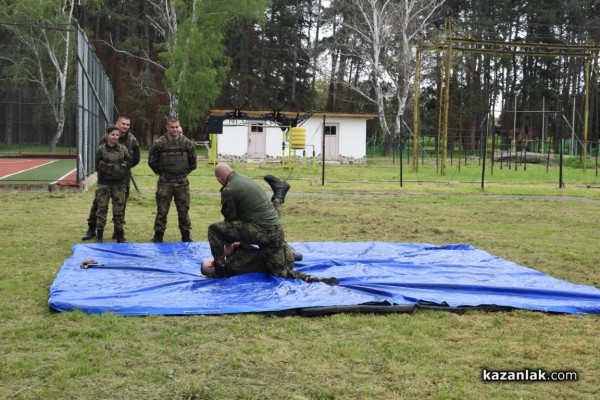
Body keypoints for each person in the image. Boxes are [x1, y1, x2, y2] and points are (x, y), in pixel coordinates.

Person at [207, 163, 295, 278]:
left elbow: (230, 220)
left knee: (214, 230)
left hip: (264, 232)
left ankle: (220, 270)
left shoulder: (229, 189)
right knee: (281, 270)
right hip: (275, 231)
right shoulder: (244, 179)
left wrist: (228, 248)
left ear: (219, 179)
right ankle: (280, 193)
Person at [81, 116, 140, 241]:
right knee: (98, 205)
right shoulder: (104, 139)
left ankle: (118, 232)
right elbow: (99, 160)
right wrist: (109, 170)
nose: (125, 127)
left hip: (122, 179)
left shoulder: (132, 140)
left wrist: (120, 169)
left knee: (120, 205)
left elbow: (135, 158)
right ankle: (92, 230)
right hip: (105, 180)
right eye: (123, 124)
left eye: (127, 125)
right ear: (117, 124)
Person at [148, 116, 197, 243]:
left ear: (179, 127)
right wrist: (163, 173)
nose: (174, 130)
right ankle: (158, 235)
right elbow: (152, 161)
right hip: (165, 182)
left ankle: (186, 235)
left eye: (176, 127)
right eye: (172, 127)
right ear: (167, 127)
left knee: (183, 210)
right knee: (162, 210)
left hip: (182, 183)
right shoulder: (160, 143)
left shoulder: (187, 144)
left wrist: (181, 173)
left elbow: (193, 164)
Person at [93, 124, 130, 243]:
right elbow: (97, 165)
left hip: (119, 185)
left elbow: (127, 164)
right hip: (104, 184)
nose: (115, 137)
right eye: (112, 134)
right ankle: (99, 236)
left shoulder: (123, 149)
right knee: (101, 209)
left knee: (118, 211)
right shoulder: (101, 149)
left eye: (117, 135)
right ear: (107, 135)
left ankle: (120, 235)